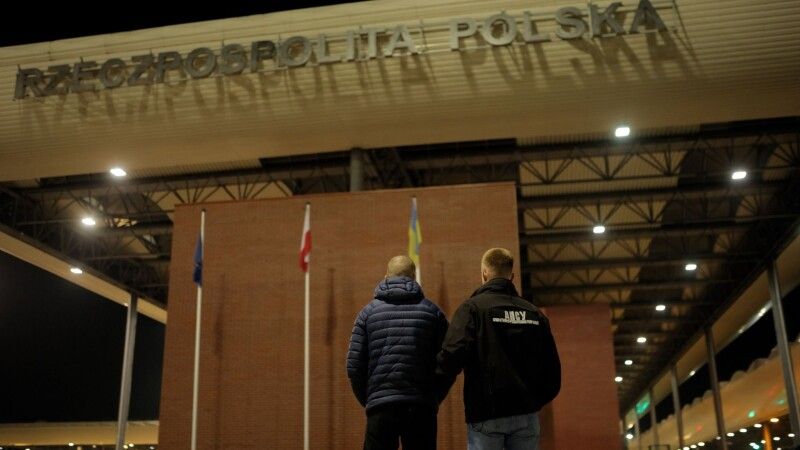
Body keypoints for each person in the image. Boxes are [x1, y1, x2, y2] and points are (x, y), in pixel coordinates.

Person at [435, 248, 561, 450]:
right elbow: (552, 372)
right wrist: (533, 402)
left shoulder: (472, 310)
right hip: (526, 416)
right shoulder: (534, 314)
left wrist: (433, 395)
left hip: (487, 414)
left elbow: (451, 356)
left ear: (484, 273)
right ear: (512, 276)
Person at [347, 255, 449, 450]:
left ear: (386, 276)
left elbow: (354, 366)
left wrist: (370, 398)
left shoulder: (367, 314)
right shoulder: (433, 313)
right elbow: (448, 362)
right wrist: (433, 396)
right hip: (421, 407)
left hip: (381, 409)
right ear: (414, 277)